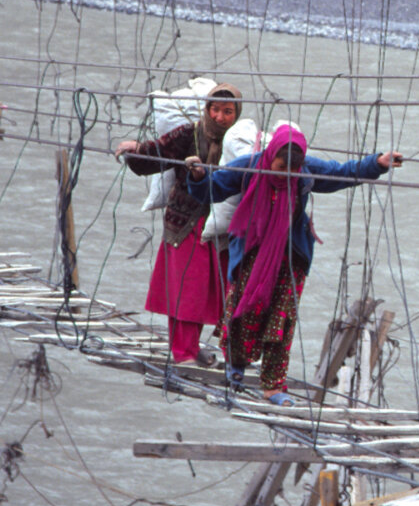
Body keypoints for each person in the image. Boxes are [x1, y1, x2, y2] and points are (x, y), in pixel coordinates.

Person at [185, 124, 402, 405]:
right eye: (279, 167)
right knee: (242, 311)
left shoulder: (305, 172)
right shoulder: (250, 167)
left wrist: (377, 163)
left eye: (291, 170)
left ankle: (273, 387)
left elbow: (342, 173)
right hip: (252, 252)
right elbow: (212, 188)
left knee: (281, 322)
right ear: (271, 155)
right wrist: (200, 175)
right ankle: (235, 365)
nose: (284, 174)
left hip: (291, 258)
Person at [114, 82, 242, 365]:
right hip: (185, 223)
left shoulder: (237, 143)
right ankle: (182, 352)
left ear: (237, 114)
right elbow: (159, 151)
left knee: (206, 292)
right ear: (207, 109)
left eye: (228, 112)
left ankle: (191, 347)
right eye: (215, 109)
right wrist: (134, 150)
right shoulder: (190, 134)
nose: (220, 117)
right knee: (187, 290)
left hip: (218, 229)